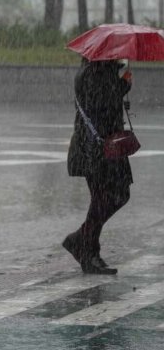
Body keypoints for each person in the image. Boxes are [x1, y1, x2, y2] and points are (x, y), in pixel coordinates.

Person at [63, 58, 133, 275]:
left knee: (115, 195)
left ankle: (83, 243)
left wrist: (120, 86)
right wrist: (123, 86)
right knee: (106, 198)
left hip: (104, 146)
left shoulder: (99, 71)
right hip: (95, 147)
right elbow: (100, 105)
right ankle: (87, 250)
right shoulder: (92, 73)